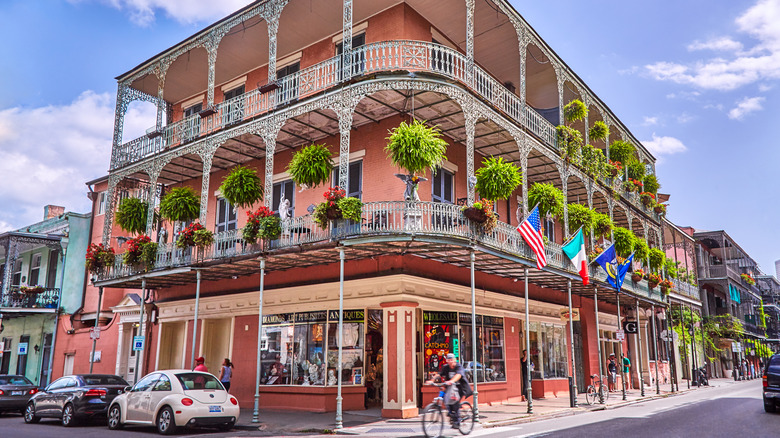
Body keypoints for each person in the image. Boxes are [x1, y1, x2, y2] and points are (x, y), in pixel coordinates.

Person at [426, 353, 472, 428]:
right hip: (450, 388)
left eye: (452, 360)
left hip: (460, 388)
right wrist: (432, 380)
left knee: (455, 402)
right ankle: (451, 413)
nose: (450, 362)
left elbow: (458, 375)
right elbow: (439, 374)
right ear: (447, 361)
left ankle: (457, 421)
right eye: (449, 360)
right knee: (446, 399)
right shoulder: (446, 367)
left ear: (454, 360)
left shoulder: (458, 367)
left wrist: (452, 381)